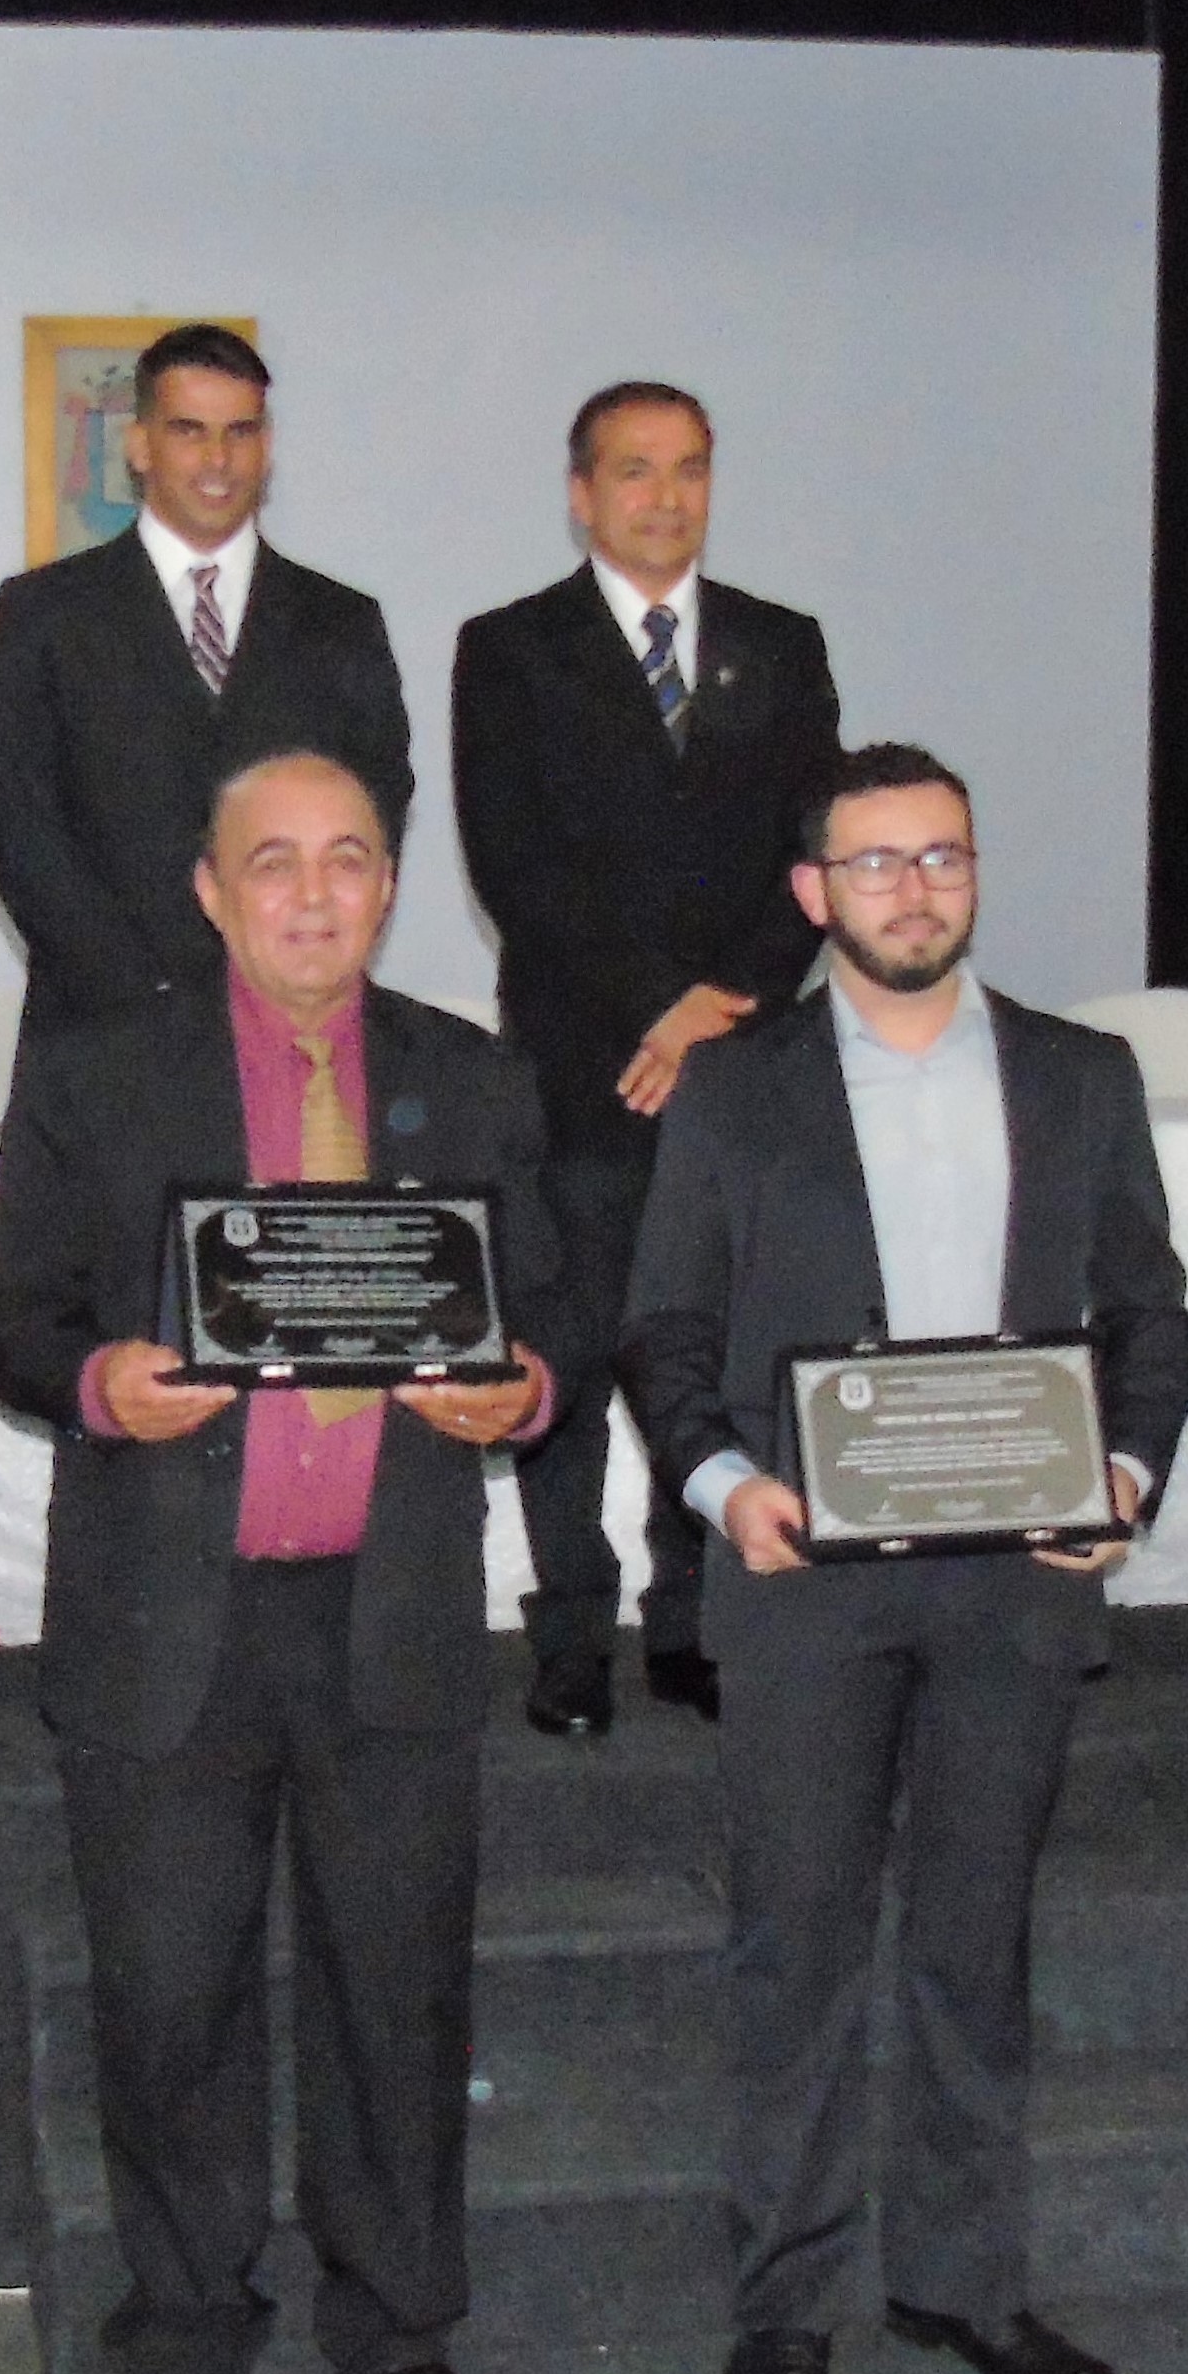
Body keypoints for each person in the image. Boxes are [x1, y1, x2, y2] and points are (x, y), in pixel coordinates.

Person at [0, 749, 560, 2374]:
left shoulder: (474, 1078)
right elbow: (16, 1319)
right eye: (273, 862)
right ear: (211, 892)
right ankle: (186, 2334)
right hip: (173, 1618)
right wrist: (96, 1383)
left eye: (349, 859)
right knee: (171, 1997)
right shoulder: (98, 1078)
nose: (313, 892)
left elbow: (554, 1321)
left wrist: (514, 1390)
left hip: (392, 1616)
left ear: (391, 886)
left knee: (397, 1991)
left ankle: (395, 2327)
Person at [622, 745, 1188, 2374]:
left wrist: (1128, 1477)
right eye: (872, 865)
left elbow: (1147, 1317)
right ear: (813, 895)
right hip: (803, 1582)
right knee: (796, 1944)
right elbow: (664, 1329)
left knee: (972, 1941)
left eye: (939, 857)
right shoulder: (735, 1089)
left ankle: (965, 2283)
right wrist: (727, 1492)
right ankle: (784, 2305)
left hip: (1013, 1582)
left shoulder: (1079, 1076)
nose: (911, 891)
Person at [450, 380, 842, 1737]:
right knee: (567, 1350)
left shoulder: (779, 647)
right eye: (632, 471)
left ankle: (693, 1622)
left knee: (718, 1356)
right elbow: (516, 867)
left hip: (738, 1071)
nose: (662, 496)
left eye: (687, 469)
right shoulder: (506, 651)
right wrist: (656, 1012)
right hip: (581, 1072)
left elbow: (813, 855)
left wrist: (720, 1006)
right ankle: (569, 1635)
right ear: (579, 491)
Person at [0, 326, 413, 1043]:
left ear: (266, 449)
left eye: (239, 432)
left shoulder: (341, 622)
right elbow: (25, 835)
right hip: (99, 1032)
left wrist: (271, 985)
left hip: (295, 1029)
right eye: (189, 431)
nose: (217, 459)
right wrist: (150, 997)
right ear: (139, 445)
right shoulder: (43, 614)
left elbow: (375, 813)